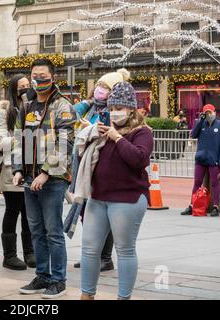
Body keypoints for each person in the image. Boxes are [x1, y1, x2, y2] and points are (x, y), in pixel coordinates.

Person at [79, 81, 153, 300]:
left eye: (119, 108)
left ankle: (123, 297)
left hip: (127, 198)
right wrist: (90, 135)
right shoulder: (104, 130)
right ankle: (87, 295)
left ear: (131, 108)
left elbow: (138, 159)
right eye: (111, 109)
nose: (114, 113)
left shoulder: (142, 132)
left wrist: (117, 137)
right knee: (89, 249)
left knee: (125, 250)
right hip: (98, 196)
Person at [12, 58, 76, 299]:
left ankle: (58, 280)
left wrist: (46, 172)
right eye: (34, 76)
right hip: (29, 180)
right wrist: (18, 169)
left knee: (53, 231)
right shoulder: (26, 106)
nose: (38, 80)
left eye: (42, 76)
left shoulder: (63, 106)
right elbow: (19, 139)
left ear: (53, 77)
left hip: (54, 180)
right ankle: (42, 275)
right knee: (36, 230)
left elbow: (65, 143)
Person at [71, 69, 130, 271]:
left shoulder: (112, 112)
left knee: (103, 216)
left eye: (105, 87)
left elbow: (105, 135)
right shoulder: (92, 108)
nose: (99, 90)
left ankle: (104, 257)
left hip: (101, 167)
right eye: (98, 85)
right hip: (85, 167)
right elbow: (71, 111)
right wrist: (87, 103)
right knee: (86, 214)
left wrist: (90, 128)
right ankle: (92, 254)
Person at [0, 73, 35, 271]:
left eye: (28, 85)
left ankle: (30, 252)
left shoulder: (35, 108)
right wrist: (22, 138)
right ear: (14, 90)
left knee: (29, 213)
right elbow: (1, 140)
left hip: (31, 168)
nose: (26, 89)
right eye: (22, 86)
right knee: (12, 210)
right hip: (11, 168)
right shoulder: (5, 111)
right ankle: (9, 255)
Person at [181, 104, 220, 217]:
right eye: (206, 113)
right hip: (201, 158)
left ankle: (215, 207)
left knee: (215, 183)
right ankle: (192, 205)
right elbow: (193, 135)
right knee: (197, 182)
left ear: (214, 112)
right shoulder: (200, 123)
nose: (208, 115)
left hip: (213, 159)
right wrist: (200, 121)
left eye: (210, 112)